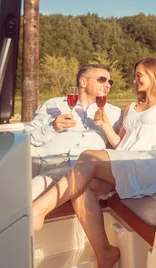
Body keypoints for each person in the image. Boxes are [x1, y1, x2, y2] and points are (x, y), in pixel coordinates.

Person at [32, 57, 156, 268]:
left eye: (139, 75)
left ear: (154, 74)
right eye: (135, 75)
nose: (135, 80)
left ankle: (37, 211)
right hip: (126, 162)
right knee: (81, 186)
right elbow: (121, 144)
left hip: (149, 163)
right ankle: (104, 253)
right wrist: (105, 126)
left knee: (88, 155)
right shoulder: (131, 107)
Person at [25, 63, 123, 201]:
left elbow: (124, 146)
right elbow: (26, 136)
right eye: (102, 80)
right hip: (41, 157)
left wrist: (106, 127)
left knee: (32, 189)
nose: (108, 85)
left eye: (109, 81)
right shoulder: (54, 104)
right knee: (10, 175)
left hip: (76, 165)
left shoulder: (115, 113)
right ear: (83, 81)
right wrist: (52, 127)